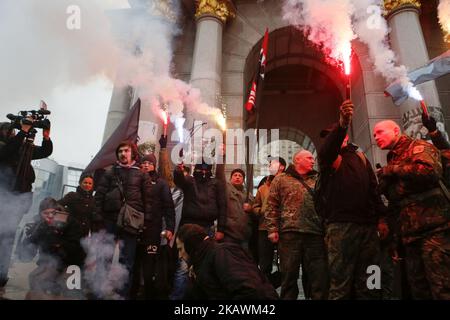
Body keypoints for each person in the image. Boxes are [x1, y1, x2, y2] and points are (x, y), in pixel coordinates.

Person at [373, 119, 450, 299]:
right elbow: (396, 203)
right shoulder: (393, 157)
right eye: (375, 134)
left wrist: (392, 170)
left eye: (380, 132)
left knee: (442, 288)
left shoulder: (418, 146)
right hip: (410, 235)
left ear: (395, 130)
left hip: (434, 231)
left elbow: (429, 172)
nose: (376, 137)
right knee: (418, 290)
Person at [318, 100, 384, 300]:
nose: (331, 138)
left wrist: (381, 219)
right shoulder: (329, 158)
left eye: (334, 134)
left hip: (368, 228)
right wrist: (342, 123)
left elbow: (374, 189)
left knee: (372, 280)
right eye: (329, 136)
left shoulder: (361, 157)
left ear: (346, 138)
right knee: (341, 283)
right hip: (341, 227)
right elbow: (328, 149)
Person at [265, 150, 328, 300]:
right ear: (297, 160)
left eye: (313, 158)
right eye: (309, 158)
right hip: (289, 234)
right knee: (289, 276)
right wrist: (272, 229)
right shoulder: (280, 179)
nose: (313, 161)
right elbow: (272, 205)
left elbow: (326, 204)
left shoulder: (319, 179)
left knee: (318, 277)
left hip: (315, 234)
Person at [94, 140, 153, 299]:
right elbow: (99, 196)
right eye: (120, 151)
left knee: (127, 262)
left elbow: (148, 200)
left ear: (133, 153)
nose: (122, 153)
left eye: (126, 150)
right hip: (110, 219)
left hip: (131, 223)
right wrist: (98, 218)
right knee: (104, 258)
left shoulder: (142, 175)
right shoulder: (110, 173)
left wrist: (146, 222)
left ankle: (122, 295)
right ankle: (100, 293)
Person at [0, 120, 53, 293]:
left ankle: (1, 276)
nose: (13, 133)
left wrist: (46, 137)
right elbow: (8, 152)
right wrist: (23, 131)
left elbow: (45, 151)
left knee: (7, 240)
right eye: (10, 131)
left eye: (14, 131)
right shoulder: (5, 148)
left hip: (17, 201)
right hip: (3, 198)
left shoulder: (22, 148)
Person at [170, 159, 227, 300]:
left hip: (207, 227)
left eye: (206, 168)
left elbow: (222, 206)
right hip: (188, 227)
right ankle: (177, 298)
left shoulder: (216, 184)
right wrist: (178, 170)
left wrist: (221, 229)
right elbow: (179, 181)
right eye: (200, 168)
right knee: (183, 266)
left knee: (205, 265)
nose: (203, 171)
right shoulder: (189, 181)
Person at [176, 223, 278, 300]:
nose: (180, 256)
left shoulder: (222, 253)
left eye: (180, 249)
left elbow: (250, 292)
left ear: (190, 246)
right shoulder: (200, 264)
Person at [130, 135, 175, 300]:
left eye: (149, 163)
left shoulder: (161, 183)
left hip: (153, 230)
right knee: (132, 264)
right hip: (134, 229)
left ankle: (148, 294)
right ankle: (131, 293)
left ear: (154, 166)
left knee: (149, 266)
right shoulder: (133, 180)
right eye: (144, 163)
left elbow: (169, 207)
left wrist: (169, 227)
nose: (146, 165)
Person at [24, 197, 85, 299]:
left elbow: (75, 248)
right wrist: (27, 239)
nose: (50, 216)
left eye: (53, 212)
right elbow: (28, 253)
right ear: (41, 214)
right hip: (50, 263)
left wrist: (56, 239)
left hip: (70, 264)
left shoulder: (70, 222)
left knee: (66, 290)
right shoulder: (41, 225)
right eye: (46, 213)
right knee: (34, 278)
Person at [222, 168, 254, 253]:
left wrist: (251, 209)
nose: (237, 177)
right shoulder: (225, 190)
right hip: (229, 234)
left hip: (244, 235)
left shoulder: (249, 195)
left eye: (240, 176)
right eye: (235, 175)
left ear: (243, 180)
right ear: (230, 178)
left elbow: (255, 212)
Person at [58, 174, 99, 238]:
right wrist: (65, 212)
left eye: (90, 183)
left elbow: (93, 219)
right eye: (85, 182)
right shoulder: (72, 196)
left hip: (84, 235)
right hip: (69, 232)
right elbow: (58, 204)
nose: (87, 185)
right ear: (80, 183)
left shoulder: (94, 200)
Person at [252, 175, 275, 278]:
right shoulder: (263, 188)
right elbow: (256, 206)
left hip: (283, 227)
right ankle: (266, 285)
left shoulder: (286, 184)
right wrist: (261, 211)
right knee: (265, 261)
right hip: (264, 227)